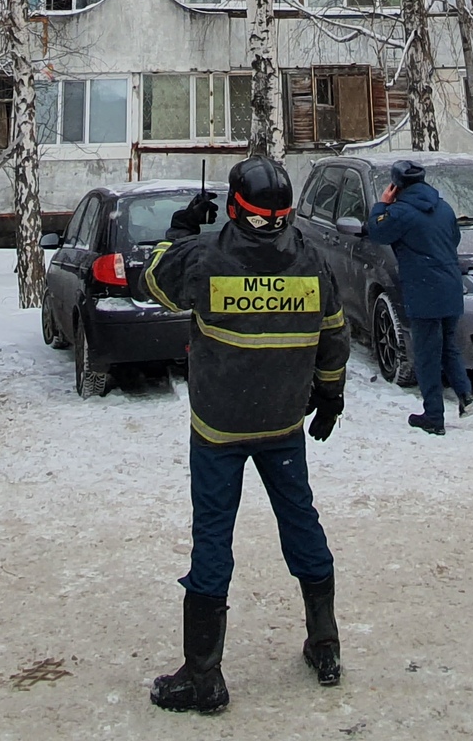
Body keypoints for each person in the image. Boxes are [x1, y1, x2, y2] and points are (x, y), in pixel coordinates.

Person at [142, 156, 349, 713]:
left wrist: (182, 229)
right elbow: (334, 338)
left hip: (219, 428)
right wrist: (330, 398)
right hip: (282, 425)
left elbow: (154, 279)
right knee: (301, 521)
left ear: (234, 208)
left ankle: (203, 675)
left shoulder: (206, 258)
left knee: (213, 536)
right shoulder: (310, 261)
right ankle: (325, 644)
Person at [368, 156, 470, 433]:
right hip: (450, 286)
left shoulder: (401, 212)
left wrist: (381, 204)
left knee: (426, 354)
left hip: (424, 288)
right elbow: (454, 240)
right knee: (448, 344)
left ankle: (434, 417)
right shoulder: (444, 208)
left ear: (396, 185)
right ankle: (465, 394)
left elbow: (376, 231)